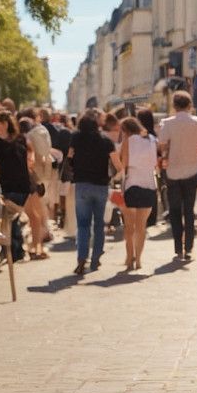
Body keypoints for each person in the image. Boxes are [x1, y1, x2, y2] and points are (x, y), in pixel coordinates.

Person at [159, 91, 197, 261]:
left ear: (174, 106)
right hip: (193, 171)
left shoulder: (167, 123)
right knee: (189, 210)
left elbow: (162, 145)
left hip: (173, 172)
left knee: (175, 210)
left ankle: (177, 247)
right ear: (190, 105)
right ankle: (188, 247)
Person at [68, 110, 117, 275]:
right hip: (101, 186)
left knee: (82, 224)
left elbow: (69, 158)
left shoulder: (75, 138)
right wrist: (114, 176)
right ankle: (96, 257)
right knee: (99, 224)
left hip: (82, 185)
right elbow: (117, 164)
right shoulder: (105, 141)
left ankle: (82, 258)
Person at [0, 111, 34, 261]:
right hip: (21, 185)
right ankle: (15, 249)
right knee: (13, 218)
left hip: (12, 185)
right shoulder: (20, 140)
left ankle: (12, 250)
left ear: (5, 124)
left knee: (9, 218)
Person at [118, 116, 156, 271]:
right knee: (141, 226)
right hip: (149, 184)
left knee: (129, 226)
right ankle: (139, 259)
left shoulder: (128, 141)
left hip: (132, 185)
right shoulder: (151, 139)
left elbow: (123, 164)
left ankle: (129, 257)